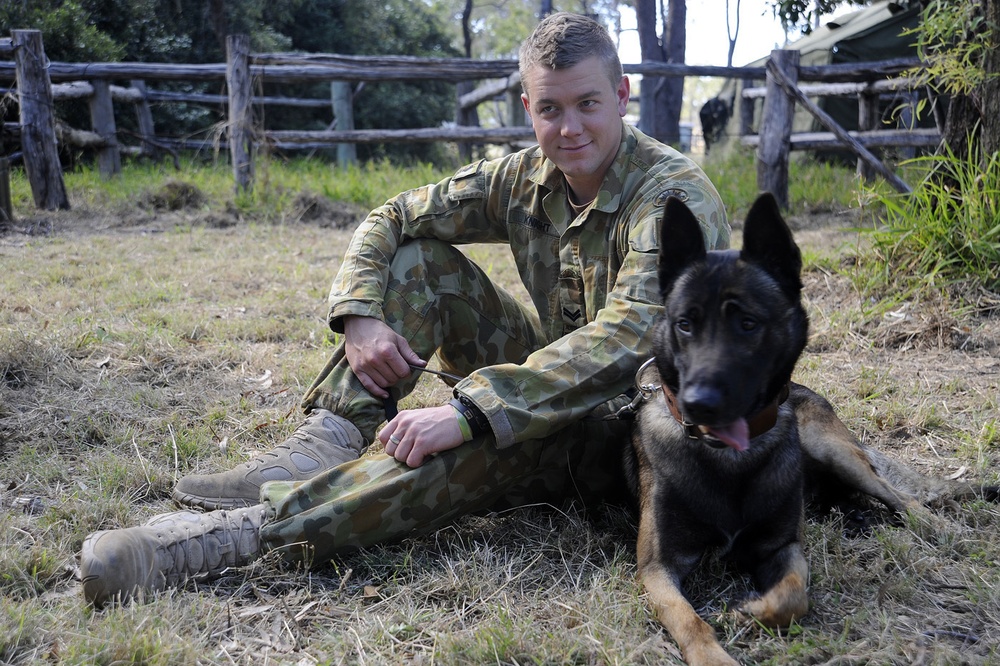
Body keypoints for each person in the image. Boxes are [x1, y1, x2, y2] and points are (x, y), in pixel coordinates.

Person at [78, 12, 731, 606]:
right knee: (423, 261)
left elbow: (632, 336)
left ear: (621, 97)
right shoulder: (526, 175)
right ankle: (328, 440)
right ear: (528, 108)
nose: (569, 128)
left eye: (588, 103)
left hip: (640, 426)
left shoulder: (672, 197)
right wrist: (360, 314)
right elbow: (391, 215)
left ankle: (232, 538)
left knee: (490, 434)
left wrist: (473, 409)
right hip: (551, 378)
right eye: (550, 109)